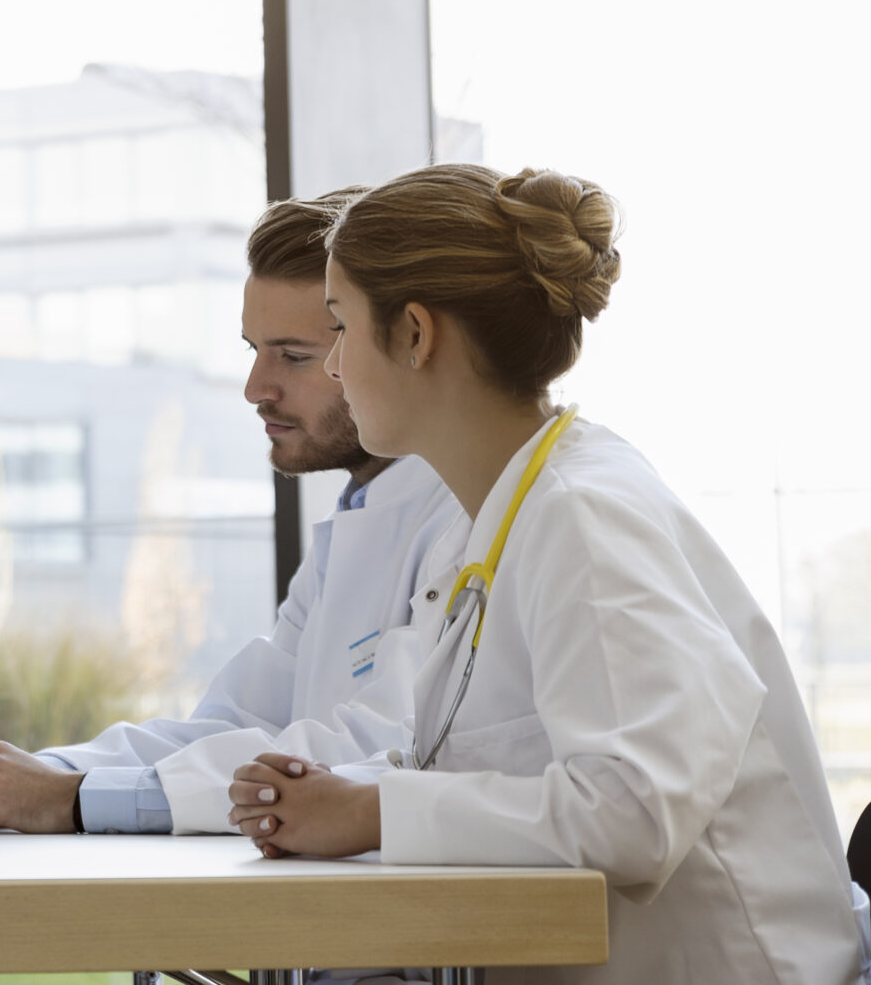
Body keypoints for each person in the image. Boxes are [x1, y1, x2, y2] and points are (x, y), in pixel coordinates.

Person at [226, 165, 867, 985]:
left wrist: (371, 811)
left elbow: (634, 809)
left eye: (341, 329)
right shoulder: (507, 521)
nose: (339, 368)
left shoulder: (584, 515)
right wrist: (340, 793)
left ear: (416, 335)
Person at [0, 188, 469, 836]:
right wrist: (13, 778)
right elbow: (238, 724)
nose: (255, 388)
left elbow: (369, 750)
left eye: (293, 356)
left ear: (405, 340)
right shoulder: (360, 517)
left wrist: (74, 797)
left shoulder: (461, 518)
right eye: (253, 350)